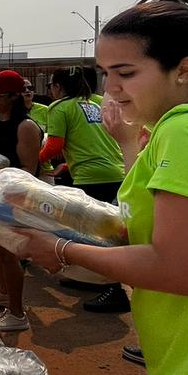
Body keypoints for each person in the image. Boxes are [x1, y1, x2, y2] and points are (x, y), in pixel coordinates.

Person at [13, 0, 188, 375]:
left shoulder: (184, 131)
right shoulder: (168, 129)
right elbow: (146, 226)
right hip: (175, 363)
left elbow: (179, 266)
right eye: (105, 74)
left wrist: (64, 253)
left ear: (184, 69)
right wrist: (124, 144)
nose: (111, 89)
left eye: (127, 74)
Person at [40, 66, 128, 313]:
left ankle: (114, 289)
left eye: (51, 86)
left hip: (90, 177)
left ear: (57, 87)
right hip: (117, 172)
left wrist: (36, 157)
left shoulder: (59, 108)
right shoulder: (99, 102)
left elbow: (55, 145)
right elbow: (97, 142)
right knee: (108, 231)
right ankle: (91, 277)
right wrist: (70, 163)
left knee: (93, 235)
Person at [0, 70, 42, 332]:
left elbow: (28, 169)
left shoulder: (26, 127)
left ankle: (17, 312)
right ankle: (3, 292)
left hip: (13, 199)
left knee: (8, 255)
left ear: (14, 97)